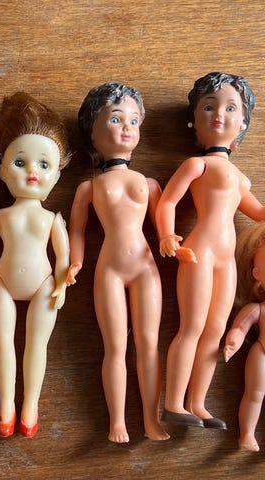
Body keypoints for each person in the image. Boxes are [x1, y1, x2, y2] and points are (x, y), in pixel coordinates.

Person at [156, 72, 265, 429]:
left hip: (226, 259)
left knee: (216, 329)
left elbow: (259, 212)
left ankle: (198, 403)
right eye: (209, 107)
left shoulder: (241, 178)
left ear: (243, 122)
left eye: (231, 108)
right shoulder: (197, 164)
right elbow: (167, 202)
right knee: (192, 325)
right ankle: (174, 403)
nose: (219, 114)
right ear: (194, 120)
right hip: (198, 251)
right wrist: (167, 235)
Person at [67, 82, 169, 443]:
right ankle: (117, 422)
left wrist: (170, 239)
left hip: (145, 267)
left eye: (134, 121)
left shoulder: (149, 183)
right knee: (115, 347)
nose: (127, 127)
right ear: (92, 131)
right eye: (115, 119)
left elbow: (163, 223)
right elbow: (76, 230)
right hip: (108, 270)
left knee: (149, 343)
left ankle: (152, 419)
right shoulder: (89, 187)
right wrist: (75, 263)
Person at [0, 92, 70, 438]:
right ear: (3, 171)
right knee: (2, 344)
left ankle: (30, 405)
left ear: (57, 176)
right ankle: (6, 405)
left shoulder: (53, 219)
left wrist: (62, 284)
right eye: (20, 163)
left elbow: (63, 258)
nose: (33, 172)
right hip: (1, 284)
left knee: (37, 346)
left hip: (44, 286)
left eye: (44, 165)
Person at [224, 222, 265, 451]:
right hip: (262, 354)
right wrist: (234, 340)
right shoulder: (257, 309)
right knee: (255, 394)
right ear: (257, 274)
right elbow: (240, 328)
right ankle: (247, 433)